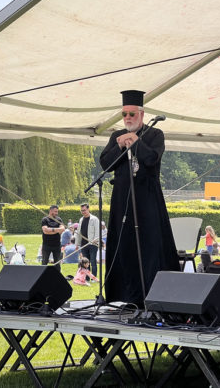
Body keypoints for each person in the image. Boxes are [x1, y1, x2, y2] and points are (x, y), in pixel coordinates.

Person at [99, 90, 179, 306]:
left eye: (132, 114)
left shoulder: (155, 134)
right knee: (124, 245)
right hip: (122, 198)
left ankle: (152, 295)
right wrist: (119, 146)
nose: (128, 118)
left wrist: (135, 141)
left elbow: (151, 159)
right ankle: (125, 296)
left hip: (147, 198)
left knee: (150, 245)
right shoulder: (116, 136)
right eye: (124, 114)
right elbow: (106, 164)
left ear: (142, 114)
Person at [75, 203, 100, 277]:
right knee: (85, 262)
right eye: (81, 211)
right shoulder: (81, 219)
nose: (83, 212)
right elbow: (79, 232)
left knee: (93, 261)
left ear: (88, 209)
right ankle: (87, 277)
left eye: (84, 210)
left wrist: (95, 240)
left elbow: (97, 231)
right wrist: (77, 244)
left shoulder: (94, 219)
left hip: (93, 244)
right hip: (84, 244)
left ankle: (94, 277)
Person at [41, 205, 65, 271]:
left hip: (57, 245)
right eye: (55, 211)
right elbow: (45, 231)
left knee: (57, 263)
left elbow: (63, 229)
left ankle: (57, 276)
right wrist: (57, 230)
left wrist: (51, 230)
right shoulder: (45, 220)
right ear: (50, 211)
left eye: (57, 211)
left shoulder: (59, 219)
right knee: (44, 262)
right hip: (46, 245)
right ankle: (42, 275)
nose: (57, 213)